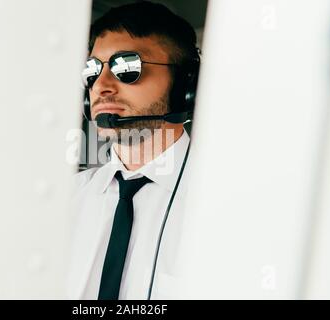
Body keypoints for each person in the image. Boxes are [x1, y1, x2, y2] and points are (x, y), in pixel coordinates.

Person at [67, 1, 200, 300]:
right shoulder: (64, 201)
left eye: (126, 67)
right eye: (92, 70)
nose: (101, 86)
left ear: (185, 86)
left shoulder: (220, 204)